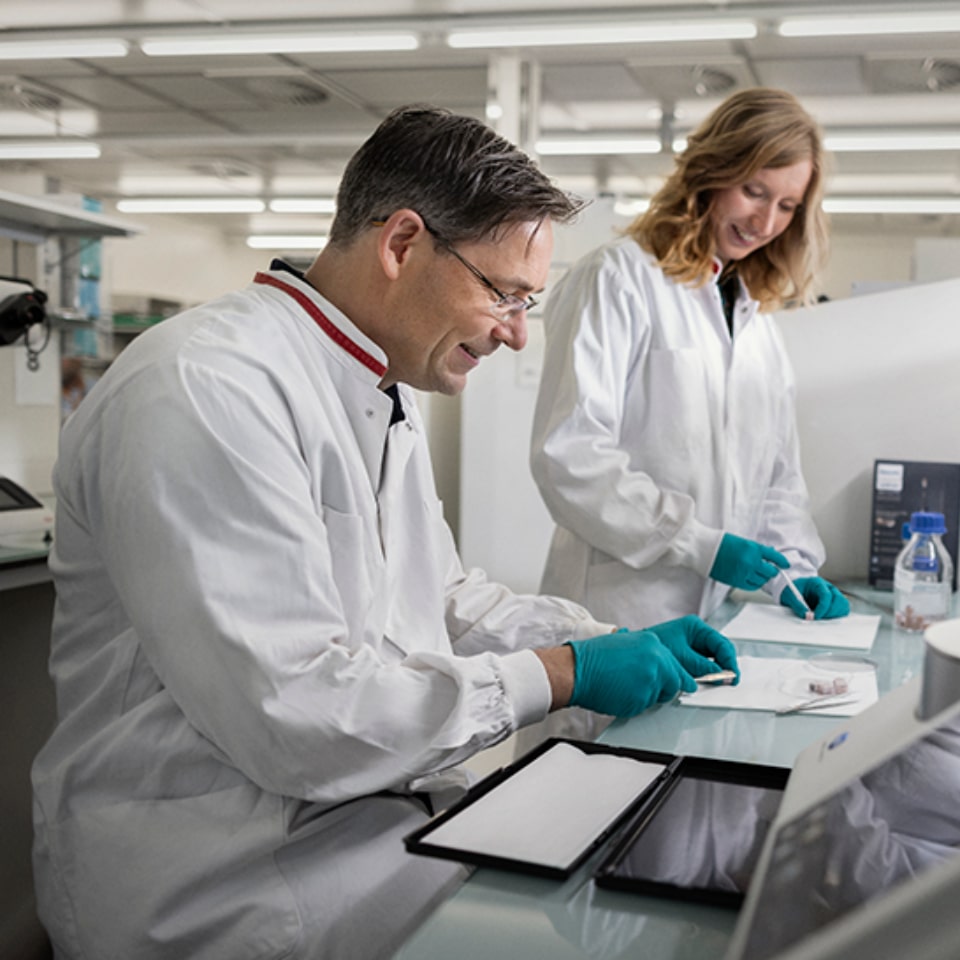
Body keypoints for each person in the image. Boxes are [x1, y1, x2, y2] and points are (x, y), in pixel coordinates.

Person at [31, 105, 738, 960]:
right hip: (219, 883)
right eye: (506, 294)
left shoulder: (371, 387)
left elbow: (439, 597)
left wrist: (601, 639)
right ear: (403, 243)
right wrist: (559, 674)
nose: (517, 333)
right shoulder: (207, 386)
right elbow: (297, 715)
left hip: (351, 832)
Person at [530, 87, 850, 635]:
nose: (766, 220)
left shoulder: (757, 328)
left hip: (715, 618)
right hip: (618, 616)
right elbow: (571, 457)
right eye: (754, 190)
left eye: (787, 205)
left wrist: (794, 571)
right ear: (711, 172)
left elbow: (777, 478)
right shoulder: (618, 278)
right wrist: (700, 545)